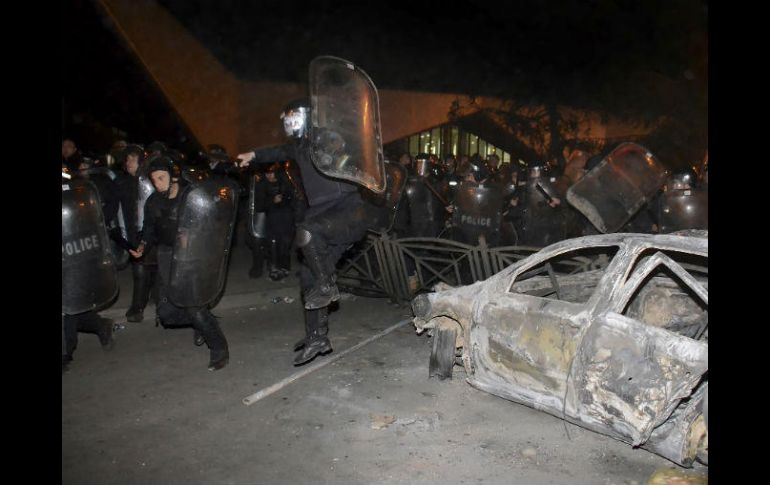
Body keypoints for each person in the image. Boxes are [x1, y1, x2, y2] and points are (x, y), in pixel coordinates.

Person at [238, 98, 380, 365]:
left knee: (307, 232)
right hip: (323, 214)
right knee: (306, 277)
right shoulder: (300, 146)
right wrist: (254, 155)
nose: (289, 125)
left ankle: (328, 285)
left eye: (293, 119)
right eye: (287, 121)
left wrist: (332, 148)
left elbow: (343, 144)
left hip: (347, 211)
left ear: (305, 118)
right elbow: (279, 151)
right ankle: (317, 337)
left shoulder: (324, 138)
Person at [129, 157, 230, 371]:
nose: (157, 184)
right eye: (154, 180)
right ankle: (203, 322)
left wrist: (191, 236)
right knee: (166, 314)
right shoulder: (153, 202)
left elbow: (211, 221)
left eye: (161, 178)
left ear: (173, 176)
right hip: (166, 255)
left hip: (192, 255)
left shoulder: (190, 196)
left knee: (192, 305)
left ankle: (218, 348)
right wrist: (142, 246)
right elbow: (149, 229)